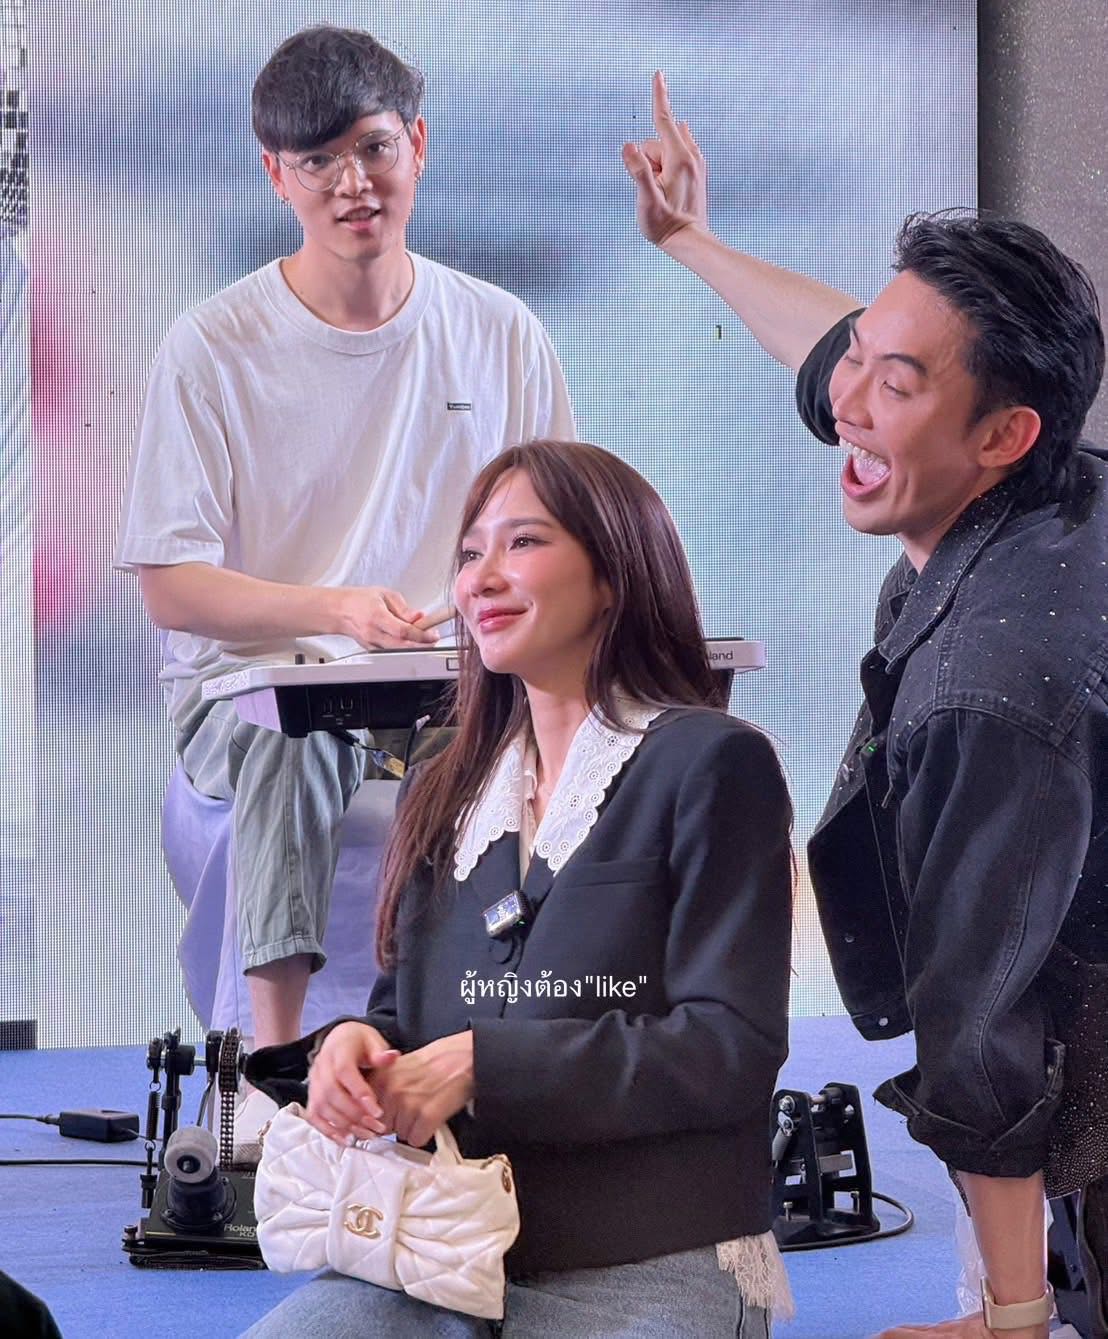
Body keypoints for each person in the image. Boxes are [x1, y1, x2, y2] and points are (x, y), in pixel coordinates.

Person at [623, 71, 1108, 1339]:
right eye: (861, 361)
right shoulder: (1050, 478)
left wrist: (1008, 1320)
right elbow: (834, 348)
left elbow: (980, 1021)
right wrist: (690, 241)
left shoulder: (988, 685)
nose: (847, 399)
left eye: (895, 384)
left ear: (1001, 433)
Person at [241, 439, 795, 1338]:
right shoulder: (445, 788)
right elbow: (402, 1016)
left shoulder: (714, 763)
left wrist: (482, 1064)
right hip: (441, 1254)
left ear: (613, 573)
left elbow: (728, 1047)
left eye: (523, 542)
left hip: (649, 1258)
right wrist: (353, 1048)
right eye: (470, 554)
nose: (481, 579)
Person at [113, 26, 574, 1079]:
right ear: (276, 175)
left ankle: (485, 1046)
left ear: (418, 144)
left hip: (452, 675)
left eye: (373, 148)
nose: (352, 184)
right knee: (301, 735)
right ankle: (277, 1062)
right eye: (317, 161)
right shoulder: (211, 346)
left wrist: (490, 603)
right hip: (252, 689)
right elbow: (171, 589)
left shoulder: (501, 330)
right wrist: (337, 612)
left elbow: (560, 529)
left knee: (535, 744)